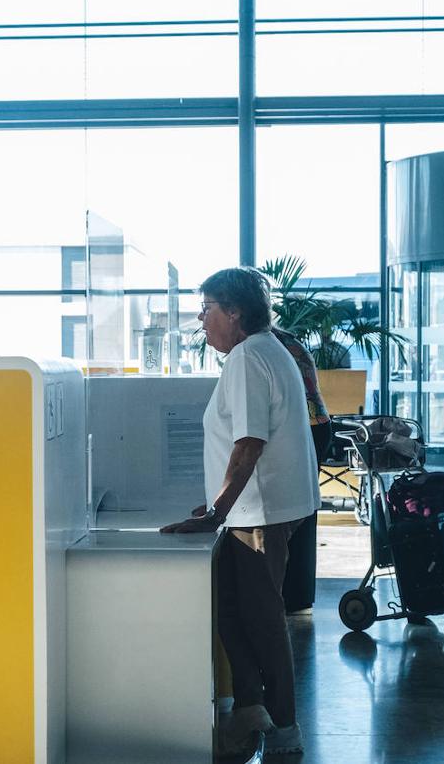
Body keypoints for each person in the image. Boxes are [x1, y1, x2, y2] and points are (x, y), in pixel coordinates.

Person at [161, 267, 318, 757]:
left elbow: (249, 442)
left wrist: (216, 511)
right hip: (250, 509)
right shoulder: (265, 349)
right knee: (228, 607)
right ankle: (252, 708)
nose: (200, 319)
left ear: (235, 311)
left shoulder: (248, 357)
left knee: (262, 619)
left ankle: (286, 733)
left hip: (259, 512)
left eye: (207, 308)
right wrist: (217, 505)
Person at [271, 326, 331, 614]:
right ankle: (298, 593)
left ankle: (293, 594)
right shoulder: (286, 339)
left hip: (305, 427)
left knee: (295, 509)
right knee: (303, 509)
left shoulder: (269, 346)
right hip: (315, 425)